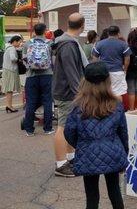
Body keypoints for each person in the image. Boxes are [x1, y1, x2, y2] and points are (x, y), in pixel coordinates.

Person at [64, 61, 128, 209]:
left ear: (85, 82)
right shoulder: (116, 104)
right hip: (112, 152)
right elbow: (123, 132)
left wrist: (81, 144)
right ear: (107, 81)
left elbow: (69, 132)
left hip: (87, 153)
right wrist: (124, 151)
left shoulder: (78, 106)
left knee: (92, 197)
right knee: (115, 192)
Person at [53, 13, 88, 177]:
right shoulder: (68, 43)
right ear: (82, 25)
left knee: (68, 126)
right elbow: (71, 72)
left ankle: (70, 158)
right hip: (67, 93)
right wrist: (79, 93)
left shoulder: (65, 41)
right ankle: (61, 164)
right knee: (62, 126)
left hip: (65, 91)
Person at [23, 23, 54, 136]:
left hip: (31, 76)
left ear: (34, 31)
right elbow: (53, 60)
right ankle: (47, 128)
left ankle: (29, 130)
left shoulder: (27, 43)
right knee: (47, 101)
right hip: (47, 75)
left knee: (30, 102)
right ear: (45, 31)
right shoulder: (49, 43)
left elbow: (24, 60)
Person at [92, 25, 131, 98]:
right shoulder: (123, 44)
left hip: (104, 72)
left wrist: (98, 68)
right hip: (118, 71)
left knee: (105, 93)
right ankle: (118, 109)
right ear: (118, 33)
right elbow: (127, 59)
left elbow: (94, 58)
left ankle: (106, 109)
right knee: (118, 94)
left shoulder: (99, 44)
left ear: (108, 33)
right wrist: (125, 69)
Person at [2, 35, 23, 113]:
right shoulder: (12, 49)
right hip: (10, 71)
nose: (20, 44)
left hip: (7, 70)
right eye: (19, 42)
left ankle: (9, 105)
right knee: (10, 90)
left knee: (8, 90)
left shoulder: (8, 48)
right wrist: (19, 60)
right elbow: (13, 58)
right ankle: (9, 106)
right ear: (14, 42)